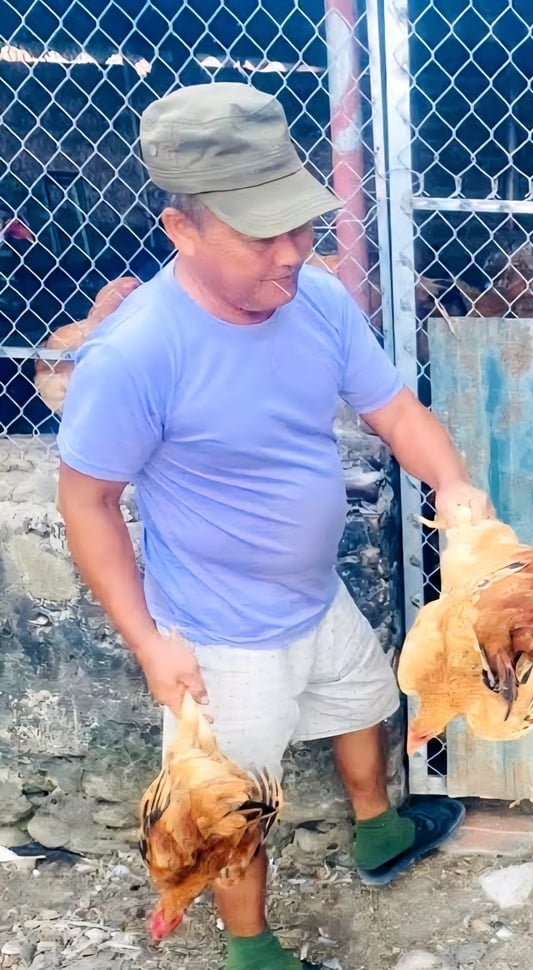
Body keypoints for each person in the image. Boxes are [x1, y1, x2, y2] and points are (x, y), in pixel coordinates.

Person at [56, 82, 492, 970]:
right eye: (264, 236)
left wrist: (453, 484)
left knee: (364, 701)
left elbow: (393, 408)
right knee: (234, 802)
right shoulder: (136, 355)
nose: (293, 254)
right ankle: (253, 951)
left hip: (315, 593)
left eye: (302, 225)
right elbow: (85, 503)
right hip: (217, 635)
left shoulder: (318, 300)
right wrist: (149, 643)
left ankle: (379, 832)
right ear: (183, 231)